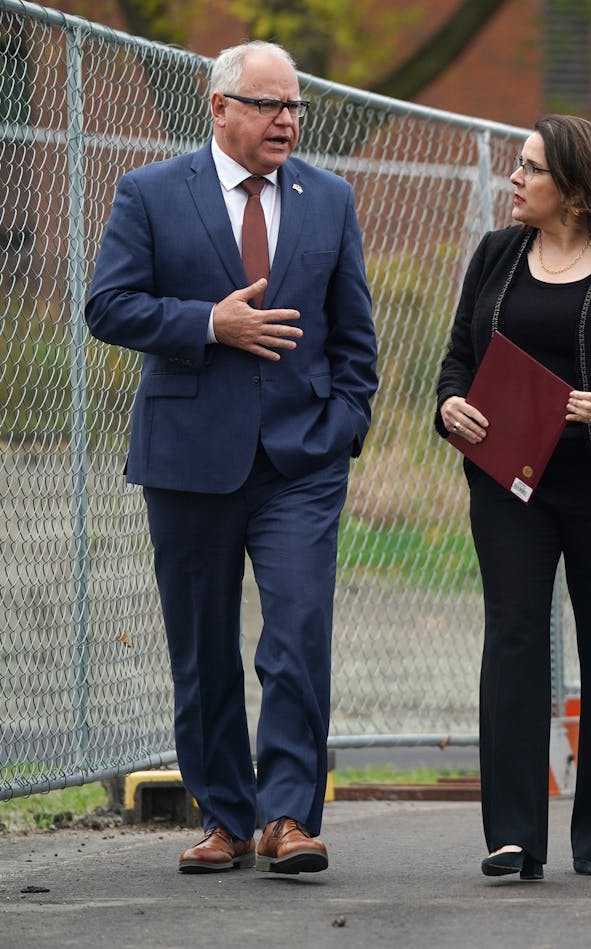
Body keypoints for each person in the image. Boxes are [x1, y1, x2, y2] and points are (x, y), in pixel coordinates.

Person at [85, 41, 379, 874]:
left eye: (294, 107)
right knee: (202, 645)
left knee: (297, 630)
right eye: (268, 105)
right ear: (220, 108)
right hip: (188, 458)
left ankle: (289, 815)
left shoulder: (328, 198)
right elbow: (108, 305)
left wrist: (346, 420)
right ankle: (225, 814)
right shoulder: (149, 192)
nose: (286, 120)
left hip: (302, 458)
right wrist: (210, 324)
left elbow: (354, 331)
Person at [435, 115, 591, 882]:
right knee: (513, 636)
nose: (513, 178)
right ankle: (513, 833)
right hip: (511, 481)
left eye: (530, 168)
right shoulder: (496, 254)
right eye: (516, 164)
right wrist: (449, 407)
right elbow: (456, 360)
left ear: (574, 187)